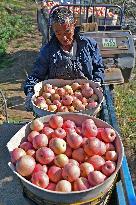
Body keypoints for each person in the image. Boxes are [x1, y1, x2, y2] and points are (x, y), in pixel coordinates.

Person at [24, 7, 104, 111]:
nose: (64, 38)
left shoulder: (89, 45)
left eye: (67, 31)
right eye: (58, 33)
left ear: (74, 24)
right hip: (58, 103)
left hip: (85, 99)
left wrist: (97, 82)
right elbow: (36, 76)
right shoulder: (48, 51)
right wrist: (30, 92)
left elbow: (98, 67)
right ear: (53, 30)